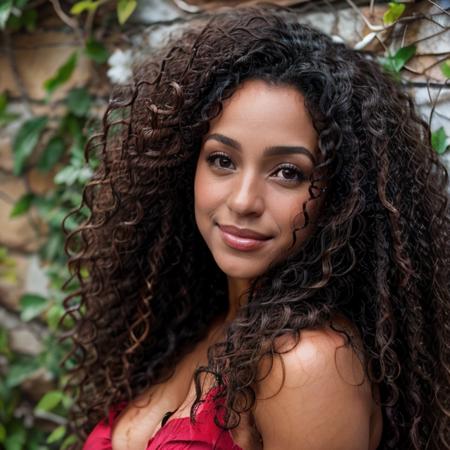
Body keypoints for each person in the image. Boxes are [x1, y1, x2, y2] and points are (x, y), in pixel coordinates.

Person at [62, 4, 450, 450]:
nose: (244, 201)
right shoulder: (197, 324)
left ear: (343, 194)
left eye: (288, 172)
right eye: (222, 161)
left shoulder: (305, 363)